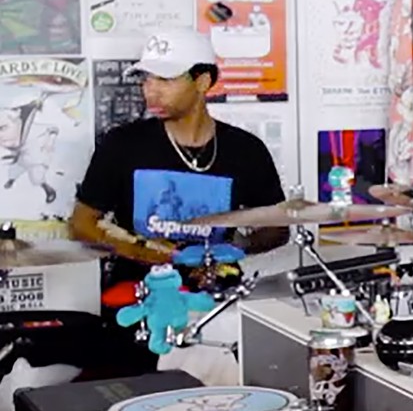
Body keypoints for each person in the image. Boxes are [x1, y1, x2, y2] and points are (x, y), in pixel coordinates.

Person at [73, 28, 287, 284]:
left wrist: (236, 248)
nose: (150, 91)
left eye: (165, 79)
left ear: (203, 81)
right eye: (147, 79)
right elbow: (81, 223)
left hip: (216, 296)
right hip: (137, 297)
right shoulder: (121, 144)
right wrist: (144, 251)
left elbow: (277, 228)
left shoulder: (246, 150)